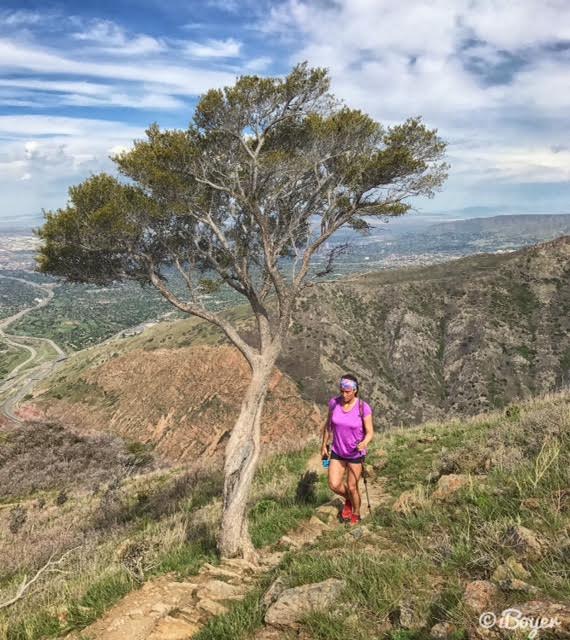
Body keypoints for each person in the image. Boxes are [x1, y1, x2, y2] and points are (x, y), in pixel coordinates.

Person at [321, 373, 374, 525]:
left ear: (355, 390)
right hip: (337, 451)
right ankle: (349, 500)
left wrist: (365, 442)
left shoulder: (363, 408)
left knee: (352, 486)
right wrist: (324, 445)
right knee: (334, 484)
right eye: (342, 391)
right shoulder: (334, 403)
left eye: (348, 391)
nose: (344, 394)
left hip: (355, 454)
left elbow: (370, 432)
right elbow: (328, 426)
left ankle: (356, 514)